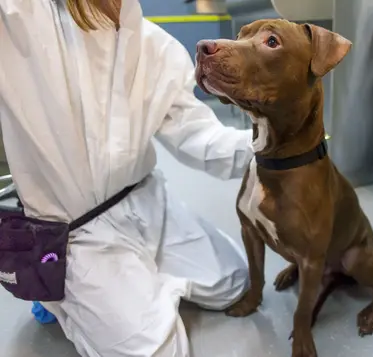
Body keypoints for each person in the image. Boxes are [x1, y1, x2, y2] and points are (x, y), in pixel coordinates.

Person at [0, 0, 253, 356]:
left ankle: (133, 288)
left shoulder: (154, 45)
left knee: (235, 281)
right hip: (75, 232)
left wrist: (269, 146)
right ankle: (60, 293)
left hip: (146, 201)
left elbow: (197, 135)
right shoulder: (22, 17)